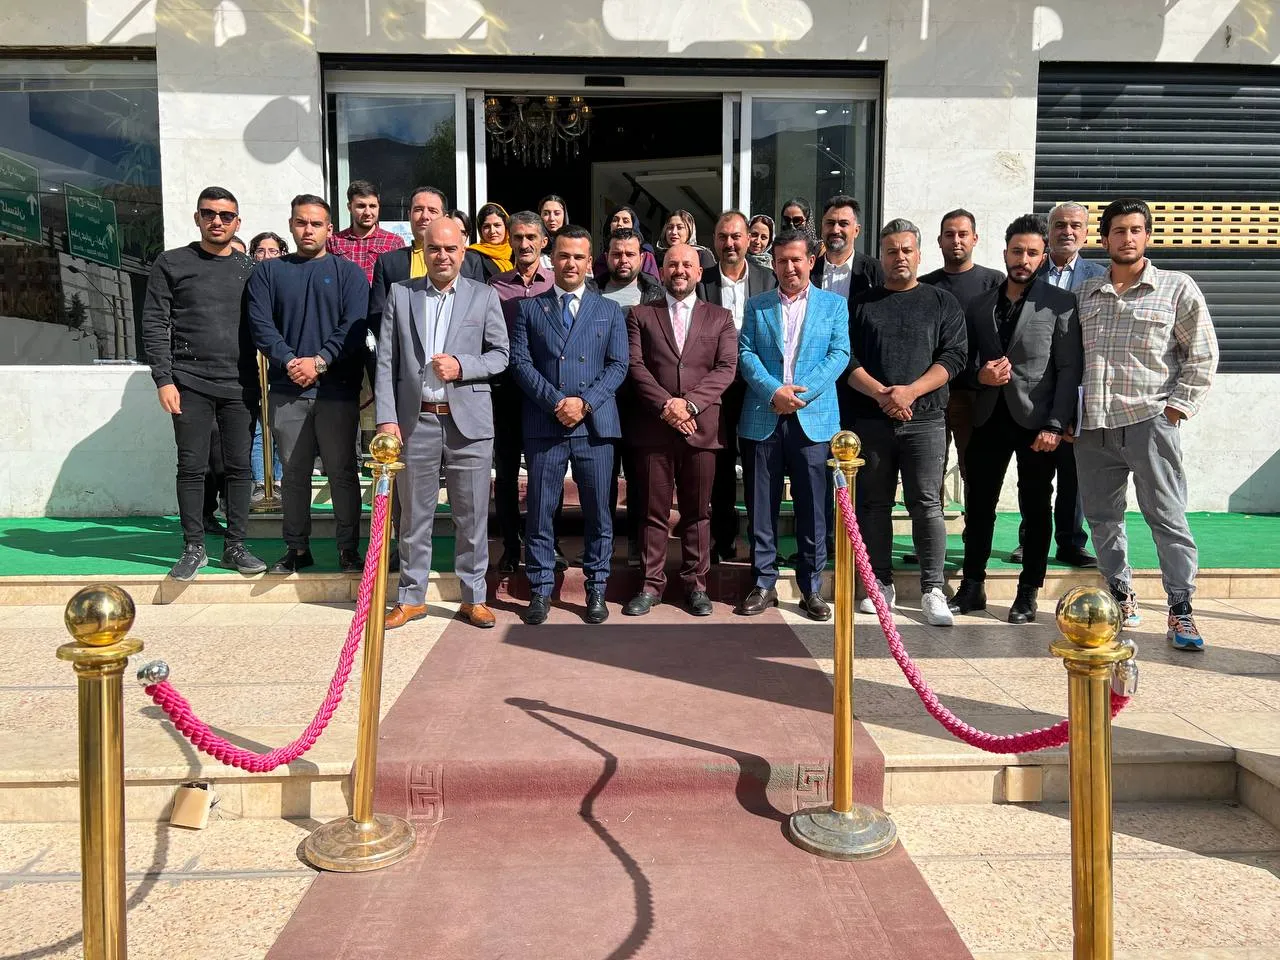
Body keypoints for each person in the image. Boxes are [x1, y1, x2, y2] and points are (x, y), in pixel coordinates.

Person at [1074, 198, 1219, 650]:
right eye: (1119, 230)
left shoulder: (1176, 288)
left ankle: (1181, 610)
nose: (1128, 238)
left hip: (1150, 421)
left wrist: (1176, 409)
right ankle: (1121, 595)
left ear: (1148, 236)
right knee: (1103, 520)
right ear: (1104, 239)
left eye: (1136, 230)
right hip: (1093, 426)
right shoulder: (1085, 294)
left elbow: (1202, 354)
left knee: (1167, 517)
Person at [375, 218, 510, 629]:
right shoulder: (401, 294)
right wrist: (386, 418)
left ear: (463, 251)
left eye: (451, 249)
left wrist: (462, 366)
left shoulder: (484, 295)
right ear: (424, 250)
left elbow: (501, 355)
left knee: (472, 517)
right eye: (435, 248)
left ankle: (474, 598)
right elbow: (386, 361)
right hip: (416, 422)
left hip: (468, 425)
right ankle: (411, 598)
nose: (443, 256)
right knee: (413, 518)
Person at [950, 215, 1082, 624]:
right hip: (988, 417)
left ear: (1043, 257)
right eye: (1017, 251)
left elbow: (1069, 369)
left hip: (1037, 424)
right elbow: (964, 362)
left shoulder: (1060, 304)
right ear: (1005, 252)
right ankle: (972, 585)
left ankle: (1028, 592)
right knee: (979, 505)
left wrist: (1056, 424)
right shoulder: (981, 304)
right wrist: (981, 376)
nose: (1023, 259)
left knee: (1036, 508)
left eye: (1032, 253)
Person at [845, 219, 968, 627]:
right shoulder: (862, 303)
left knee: (927, 504)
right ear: (881, 256)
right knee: (874, 504)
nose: (899, 257)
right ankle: (880, 582)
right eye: (891, 251)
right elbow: (847, 358)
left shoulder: (941, 301)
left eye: (906, 250)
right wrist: (883, 395)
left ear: (918, 254)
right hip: (872, 419)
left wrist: (910, 392)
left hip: (926, 420)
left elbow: (954, 356)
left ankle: (933, 588)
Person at [141, 186, 265, 580]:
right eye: (209, 213)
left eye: (226, 216)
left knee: (239, 468)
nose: (217, 221)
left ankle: (235, 546)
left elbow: (268, 323)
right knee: (192, 467)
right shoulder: (172, 263)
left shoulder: (251, 269)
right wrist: (163, 379)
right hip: (189, 382)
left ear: (237, 222)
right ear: (197, 217)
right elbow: (154, 323)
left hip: (241, 384)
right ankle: (194, 547)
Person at [511, 225, 629, 626]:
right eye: (563, 255)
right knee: (541, 511)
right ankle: (540, 588)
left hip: (595, 425)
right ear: (552, 258)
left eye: (579, 256)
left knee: (599, 511)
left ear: (589, 261)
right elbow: (521, 363)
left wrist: (585, 402)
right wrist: (556, 402)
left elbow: (619, 365)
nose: (570, 263)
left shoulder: (609, 310)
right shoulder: (530, 309)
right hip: (546, 423)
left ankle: (597, 587)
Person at [246, 194, 369, 574]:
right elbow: (261, 325)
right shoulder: (268, 273)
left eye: (316, 223)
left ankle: (348, 550)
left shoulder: (349, 273)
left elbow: (354, 326)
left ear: (329, 229)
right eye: (301, 222)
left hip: (337, 392)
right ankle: (297, 549)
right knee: (294, 475)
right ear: (291, 225)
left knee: (342, 473)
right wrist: (289, 360)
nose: (308, 230)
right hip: (287, 392)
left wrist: (320, 361)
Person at [736, 227, 850, 621]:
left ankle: (811, 588)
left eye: (796, 260)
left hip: (812, 419)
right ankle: (763, 582)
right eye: (782, 260)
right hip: (763, 415)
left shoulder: (833, 306)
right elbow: (745, 353)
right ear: (773, 264)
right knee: (760, 506)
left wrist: (801, 393)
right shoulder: (758, 305)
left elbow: (839, 354)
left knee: (813, 507)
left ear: (811, 261)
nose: (789, 268)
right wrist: (774, 391)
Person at [623, 243, 738, 617]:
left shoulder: (720, 317)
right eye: (672, 264)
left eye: (687, 264)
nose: (680, 270)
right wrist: (666, 406)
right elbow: (636, 366)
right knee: (652, 512)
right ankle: (650, 585)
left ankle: (695, 585)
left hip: (701, 429)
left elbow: (726, 368)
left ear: (699, 272)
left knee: (698, 512)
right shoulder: (641, 315)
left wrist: (688, 405)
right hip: (653, 429)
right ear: (661, 270)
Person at [1007, 200, 1108, 568]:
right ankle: (1029, 539)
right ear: (1048, 233)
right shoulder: (1028, 269)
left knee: (1074, 473)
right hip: (1033, 392)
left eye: (1075, 225)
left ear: (1086, 233)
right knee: (1032, 475)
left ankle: (1070, 541)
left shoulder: (1100, 277)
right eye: (1060, 225)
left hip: (1079, 389)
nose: (1067, 231)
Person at [912, 209, 1006, 564]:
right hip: (933, 394)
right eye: (949, 234)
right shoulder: (925, 285)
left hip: (976, 395)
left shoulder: (993, 282)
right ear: (939, 241)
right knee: (929, 472)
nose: (956, 240)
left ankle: (974, 539)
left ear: (975, 239)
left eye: (963, 234)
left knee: (974, 471)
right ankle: (928, 541)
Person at [697, 210, 778, 563]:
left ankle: (762, 545)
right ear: (715, 241)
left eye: (735, 236)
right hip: (716, 388)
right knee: (720, 465)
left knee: (760, 465)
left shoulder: (768, 279)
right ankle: (724, 538)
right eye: (723, 237)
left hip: (757, 387)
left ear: (748, 239)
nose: (729, 243)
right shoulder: (702, 280)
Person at [488, 210, 565, 574]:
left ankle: (551, 542)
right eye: (517, 237)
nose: (524, 244)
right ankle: (510, 545)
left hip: (546, 391)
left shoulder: (557, 282)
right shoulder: (495, 286)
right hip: (507, 391)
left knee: (547, 472)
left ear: (544, 241)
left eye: (531, 237)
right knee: (505, 474)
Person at [368, 186, 448, 343]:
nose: (424, 216)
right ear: (409, 215)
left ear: (445, 218)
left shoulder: (469, 263)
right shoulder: (388, 263)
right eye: (418, 210)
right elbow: (378, 316)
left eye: (432, 211)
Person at [326, 179, 404, 284]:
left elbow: (400, 282)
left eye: (372, 206)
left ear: (378, 207)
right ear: (349, 207)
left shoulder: (394, 242)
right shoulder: (334, 241)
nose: (367, 212)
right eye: (361, 206)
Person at [811, 195, 884, 306]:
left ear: (856, 231)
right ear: (822, 228)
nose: (835, 230)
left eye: (843, 224)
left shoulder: (874, 271)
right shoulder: (809, 270)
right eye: (830, 223)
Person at [600, 227, 665, 309]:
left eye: (630, 254)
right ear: (606, 257)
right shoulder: (589, 292)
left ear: (641, 258)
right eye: (617, 254)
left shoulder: (660, 296)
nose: (623, 260)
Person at [593, 205, 659, 283]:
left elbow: (652, 284)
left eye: (625, 221)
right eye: (615, 220)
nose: (619, 224)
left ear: (633, 226)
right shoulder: (602, 258)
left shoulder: (646, 254)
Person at [462, 202, 513, 281]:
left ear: (506, 227)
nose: (492, 231)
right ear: (480, 230)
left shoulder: (514, 253)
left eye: (497, 225)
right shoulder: (471, 256)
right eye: (486, 226)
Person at [538, 194, 569, 269]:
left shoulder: (574, 244)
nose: (551, 218)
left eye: (557, 213)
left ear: (564, 216)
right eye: (546, 213)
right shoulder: (534, 245)